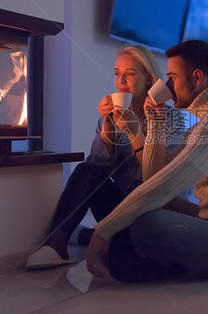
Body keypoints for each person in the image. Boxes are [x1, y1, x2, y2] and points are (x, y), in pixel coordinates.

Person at [86, 40, 208, 282]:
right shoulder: (205, 115)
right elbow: (155, 175)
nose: (167, 87)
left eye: (172, 78)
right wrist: (156, 124)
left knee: (147, 223)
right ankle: (133, 255)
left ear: (197, 77)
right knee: (147, 206)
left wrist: (104, 229)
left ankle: (141, 260)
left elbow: (168, 183)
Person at [26, 44, 185, 269]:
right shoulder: (112, 117)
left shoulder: (172, 120)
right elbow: (96, 169)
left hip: (154, 210)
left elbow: (156, 181)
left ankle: (87, 236)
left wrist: (135, 133)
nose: (121, 81)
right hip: (121, 207)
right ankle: (56, 243)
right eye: (117, 74)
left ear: (149, 79)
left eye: (129, 74)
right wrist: (107, 126)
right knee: (85, 169)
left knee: (121, 261)